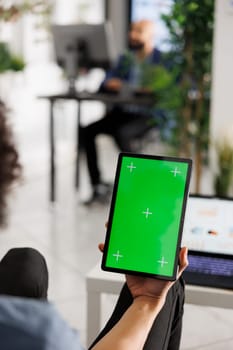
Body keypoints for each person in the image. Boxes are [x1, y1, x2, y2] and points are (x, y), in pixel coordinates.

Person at [0, 99, 188, 349]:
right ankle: (153, 297)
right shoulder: (44, 335)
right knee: (169, 285)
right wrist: (148, 301)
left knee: (24, 260)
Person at [82, 20, 165, 205]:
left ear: (150, 35)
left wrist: (148, 88)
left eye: (139, 31)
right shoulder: (125, 58)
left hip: (147, 116)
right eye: (132, 31)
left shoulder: (161, 59)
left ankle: (138, 186)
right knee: (88, 131)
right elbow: (106, 80)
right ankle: (97, 186)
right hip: (122, 112)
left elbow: (167, 87)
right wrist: (110, 83)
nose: (133, 35)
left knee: (123, 134)